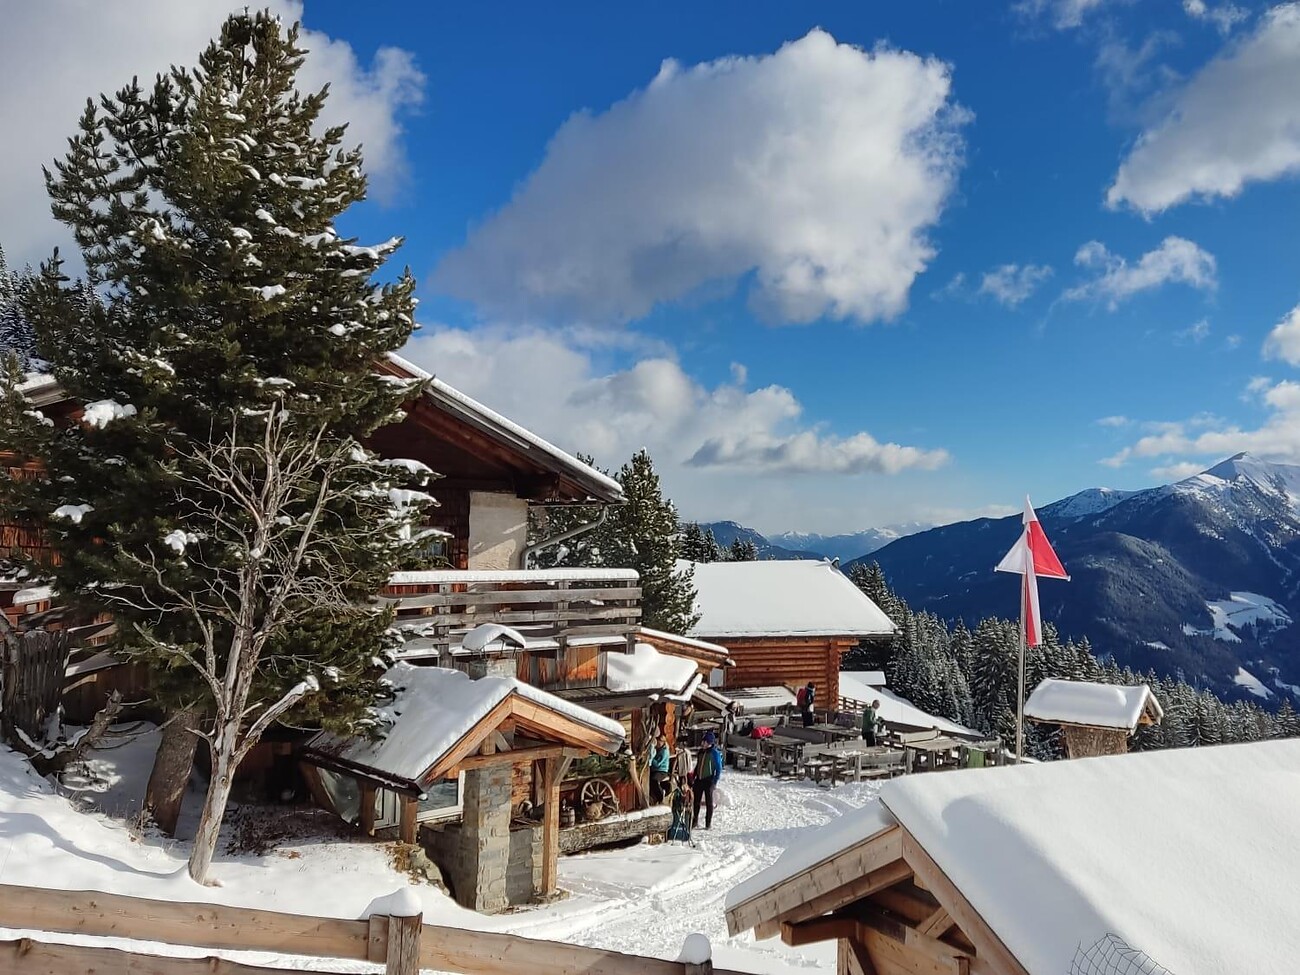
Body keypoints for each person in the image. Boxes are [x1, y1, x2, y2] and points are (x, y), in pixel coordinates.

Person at [692, 731, 723, 830]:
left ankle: (708, 823)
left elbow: (718, 768)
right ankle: (695, 821)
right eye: (703, 741)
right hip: (699, 779)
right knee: (696, 801)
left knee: (709, 802)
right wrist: (694, 776)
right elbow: (698, 765)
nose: (702, 743)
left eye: (704, 742)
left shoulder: (714, 753)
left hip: (709, 780)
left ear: (709, 742)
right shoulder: (701, 752)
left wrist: (714, 781)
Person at [649, 732, 673, 804]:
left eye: (660, 741)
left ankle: (660, 795)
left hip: (662, 771)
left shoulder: (664, 751)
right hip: (655, 770)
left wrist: (651, 758)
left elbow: (658, 764)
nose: (658, 743)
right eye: (658, 741)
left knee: (654, 780)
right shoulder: (657, 749)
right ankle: (653, 797)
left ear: (663, 742)